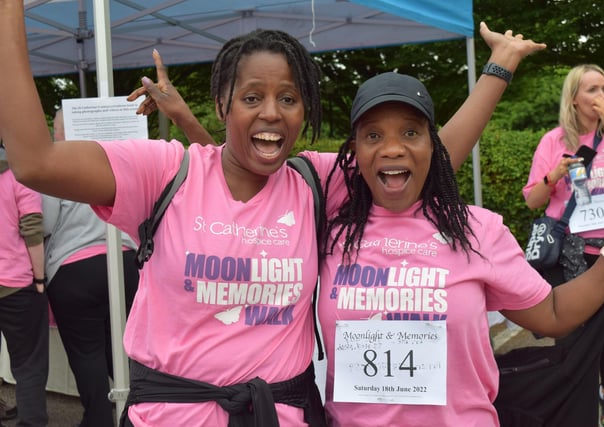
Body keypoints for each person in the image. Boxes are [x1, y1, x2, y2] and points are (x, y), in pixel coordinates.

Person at [0, 1, 544, 424]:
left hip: (282, 415)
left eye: (288, 98)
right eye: (252, 96)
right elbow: (35, 160)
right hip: (171, 413)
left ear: (305, 109)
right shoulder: (164, 173)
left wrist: (498, 66)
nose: (271, 112)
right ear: (222, 105)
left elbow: (430, 154)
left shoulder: (315, 181)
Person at [307, 72, 604, 426]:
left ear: (433, 146)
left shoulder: (476, 230)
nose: (392, 148)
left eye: (410, 132)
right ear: (353, 150)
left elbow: (554, 313)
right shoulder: (329, 228)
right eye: (373, 135)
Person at [523, 64, 604, 427]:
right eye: (591, 90)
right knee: (568, 335)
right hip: (567, 252)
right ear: (573, 98)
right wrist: (554, 174)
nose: (600, 96)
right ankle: (573, 401)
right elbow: (532, 200)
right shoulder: (553, 141)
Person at [42, 109, 140, 427]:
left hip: (75, 270)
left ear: (68, 129)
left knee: (86, 351)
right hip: (126, 262)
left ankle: (98, 418)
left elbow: (45, 221)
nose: (55, 135)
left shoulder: (57, 168)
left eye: (56, 129)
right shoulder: (120, 160)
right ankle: (141, 410)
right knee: (123, 345)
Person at [0, 142, 49, 427]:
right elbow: (32, 230)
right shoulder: (21, 176)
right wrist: (39, 279)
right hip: (17, 282)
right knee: (29, 361)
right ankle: (31, 421)